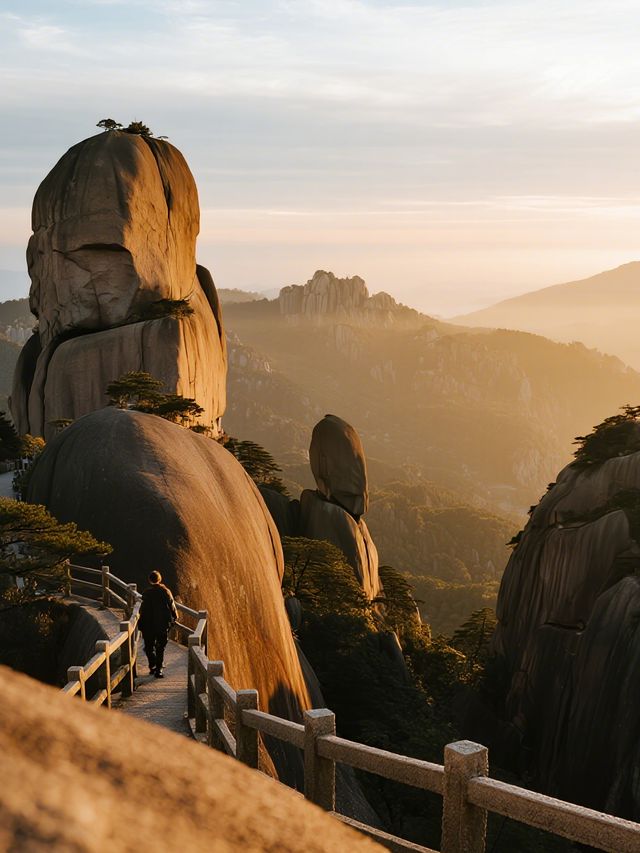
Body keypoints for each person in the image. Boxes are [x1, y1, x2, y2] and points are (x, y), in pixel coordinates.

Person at [138, 570, 177, 678]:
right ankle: (158, 669)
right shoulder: (166, 591)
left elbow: (142, 609)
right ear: (160, 579)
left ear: (150, 580)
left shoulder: (146, 593)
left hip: (148, 624)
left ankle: (153, 665)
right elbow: (172, 605)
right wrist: (175, 617)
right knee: (160, 647)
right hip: (162, 623)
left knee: (149, 647)